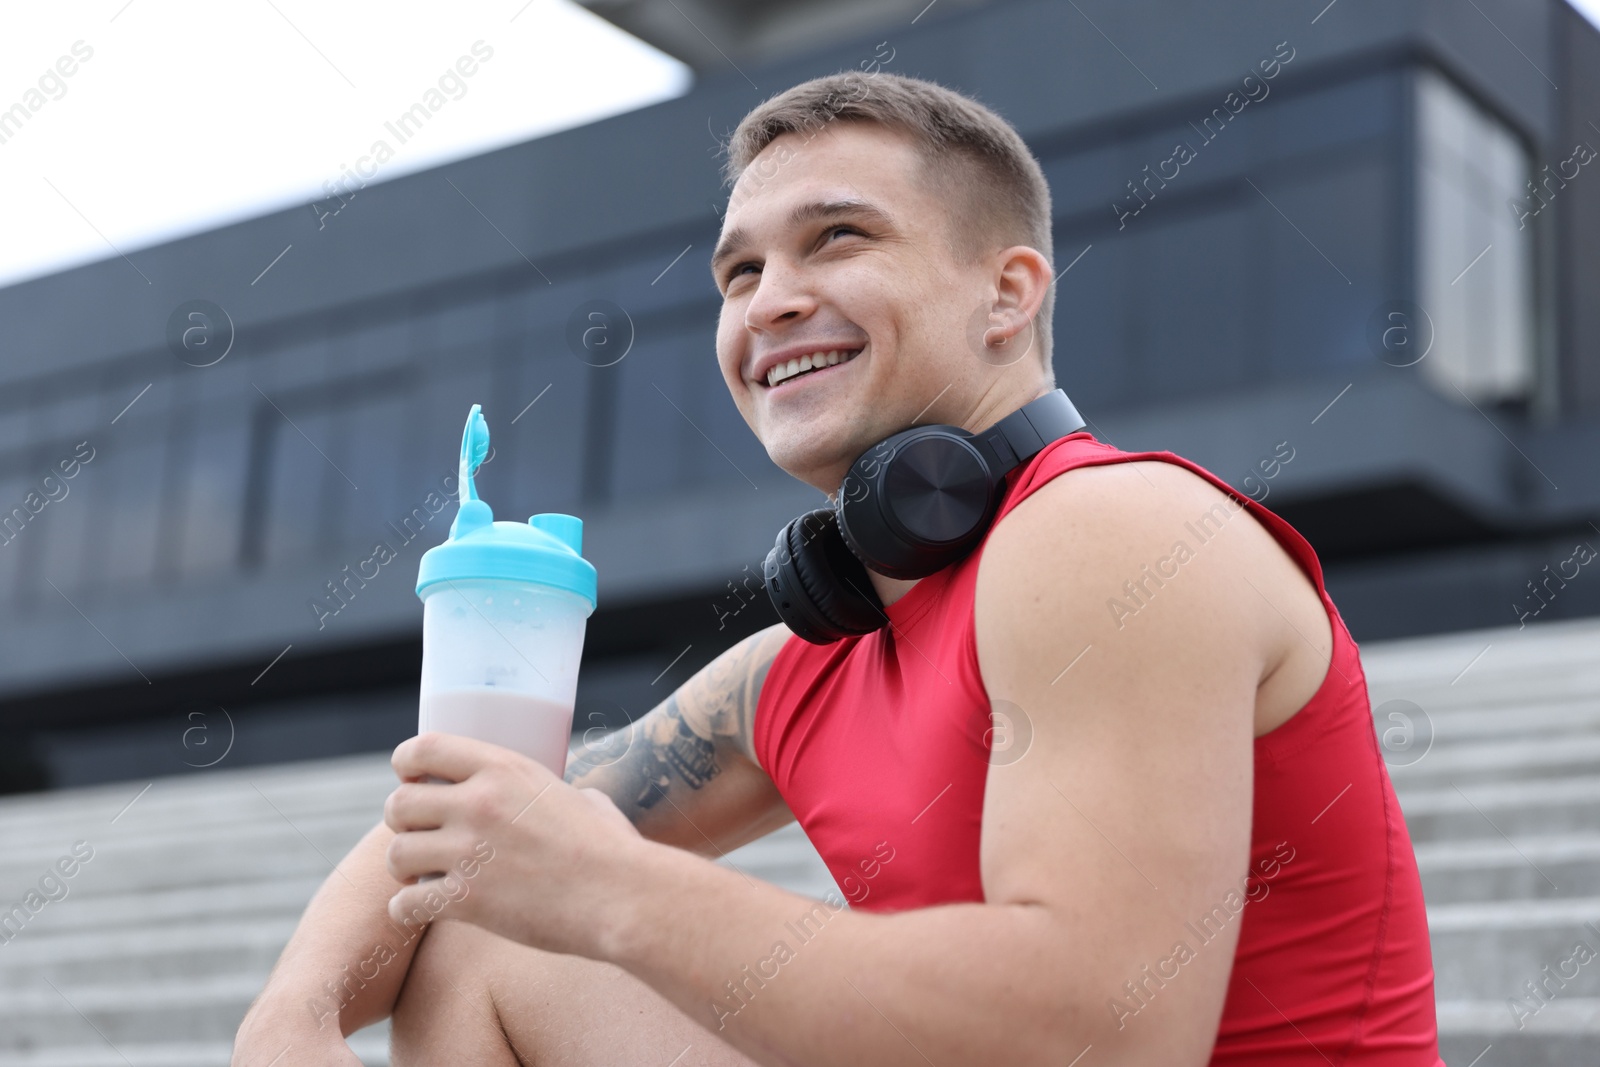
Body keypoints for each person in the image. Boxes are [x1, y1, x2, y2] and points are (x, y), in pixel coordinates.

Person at [233, 71, 1442, 1066]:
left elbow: (1106, 1035)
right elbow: (474, 822)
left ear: (1007, 295)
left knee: (534, 917)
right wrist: (288, 1014)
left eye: (837, 238)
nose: (771, 301)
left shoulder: (1108, 532)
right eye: (739, 272)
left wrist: (609, 889)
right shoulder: (798, 667)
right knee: (483, 942)